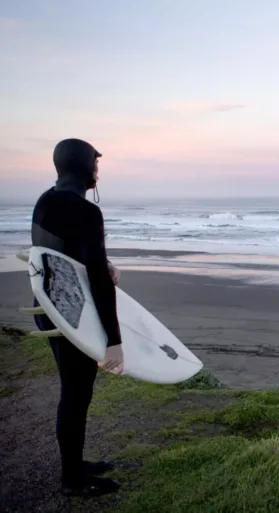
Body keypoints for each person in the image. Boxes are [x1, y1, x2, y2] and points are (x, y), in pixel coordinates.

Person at [30, 138, 125, 497]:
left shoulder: (45, 200)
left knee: (74, 393)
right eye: (95, 164)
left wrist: (105, 262)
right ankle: (72, 479)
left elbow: (60, 251)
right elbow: (98, 281)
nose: (97, 171)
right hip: (74, 316)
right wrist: (114, 341)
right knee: (75, 395)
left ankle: (76, 464)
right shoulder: (86, 211)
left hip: (48, 308)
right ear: (85, 166)